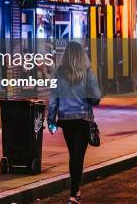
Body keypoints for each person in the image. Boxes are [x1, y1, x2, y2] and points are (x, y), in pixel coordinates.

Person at [48, 41, 101, 204]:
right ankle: (74, 193)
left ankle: (75, 191)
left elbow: (53, 99)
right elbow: (96, 97)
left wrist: (51, 119)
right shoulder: (87, 72)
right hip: (83, 119)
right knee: (78, 157)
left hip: (66, 120)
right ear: (81, 55)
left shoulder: (57, 74)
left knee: (74, 155)